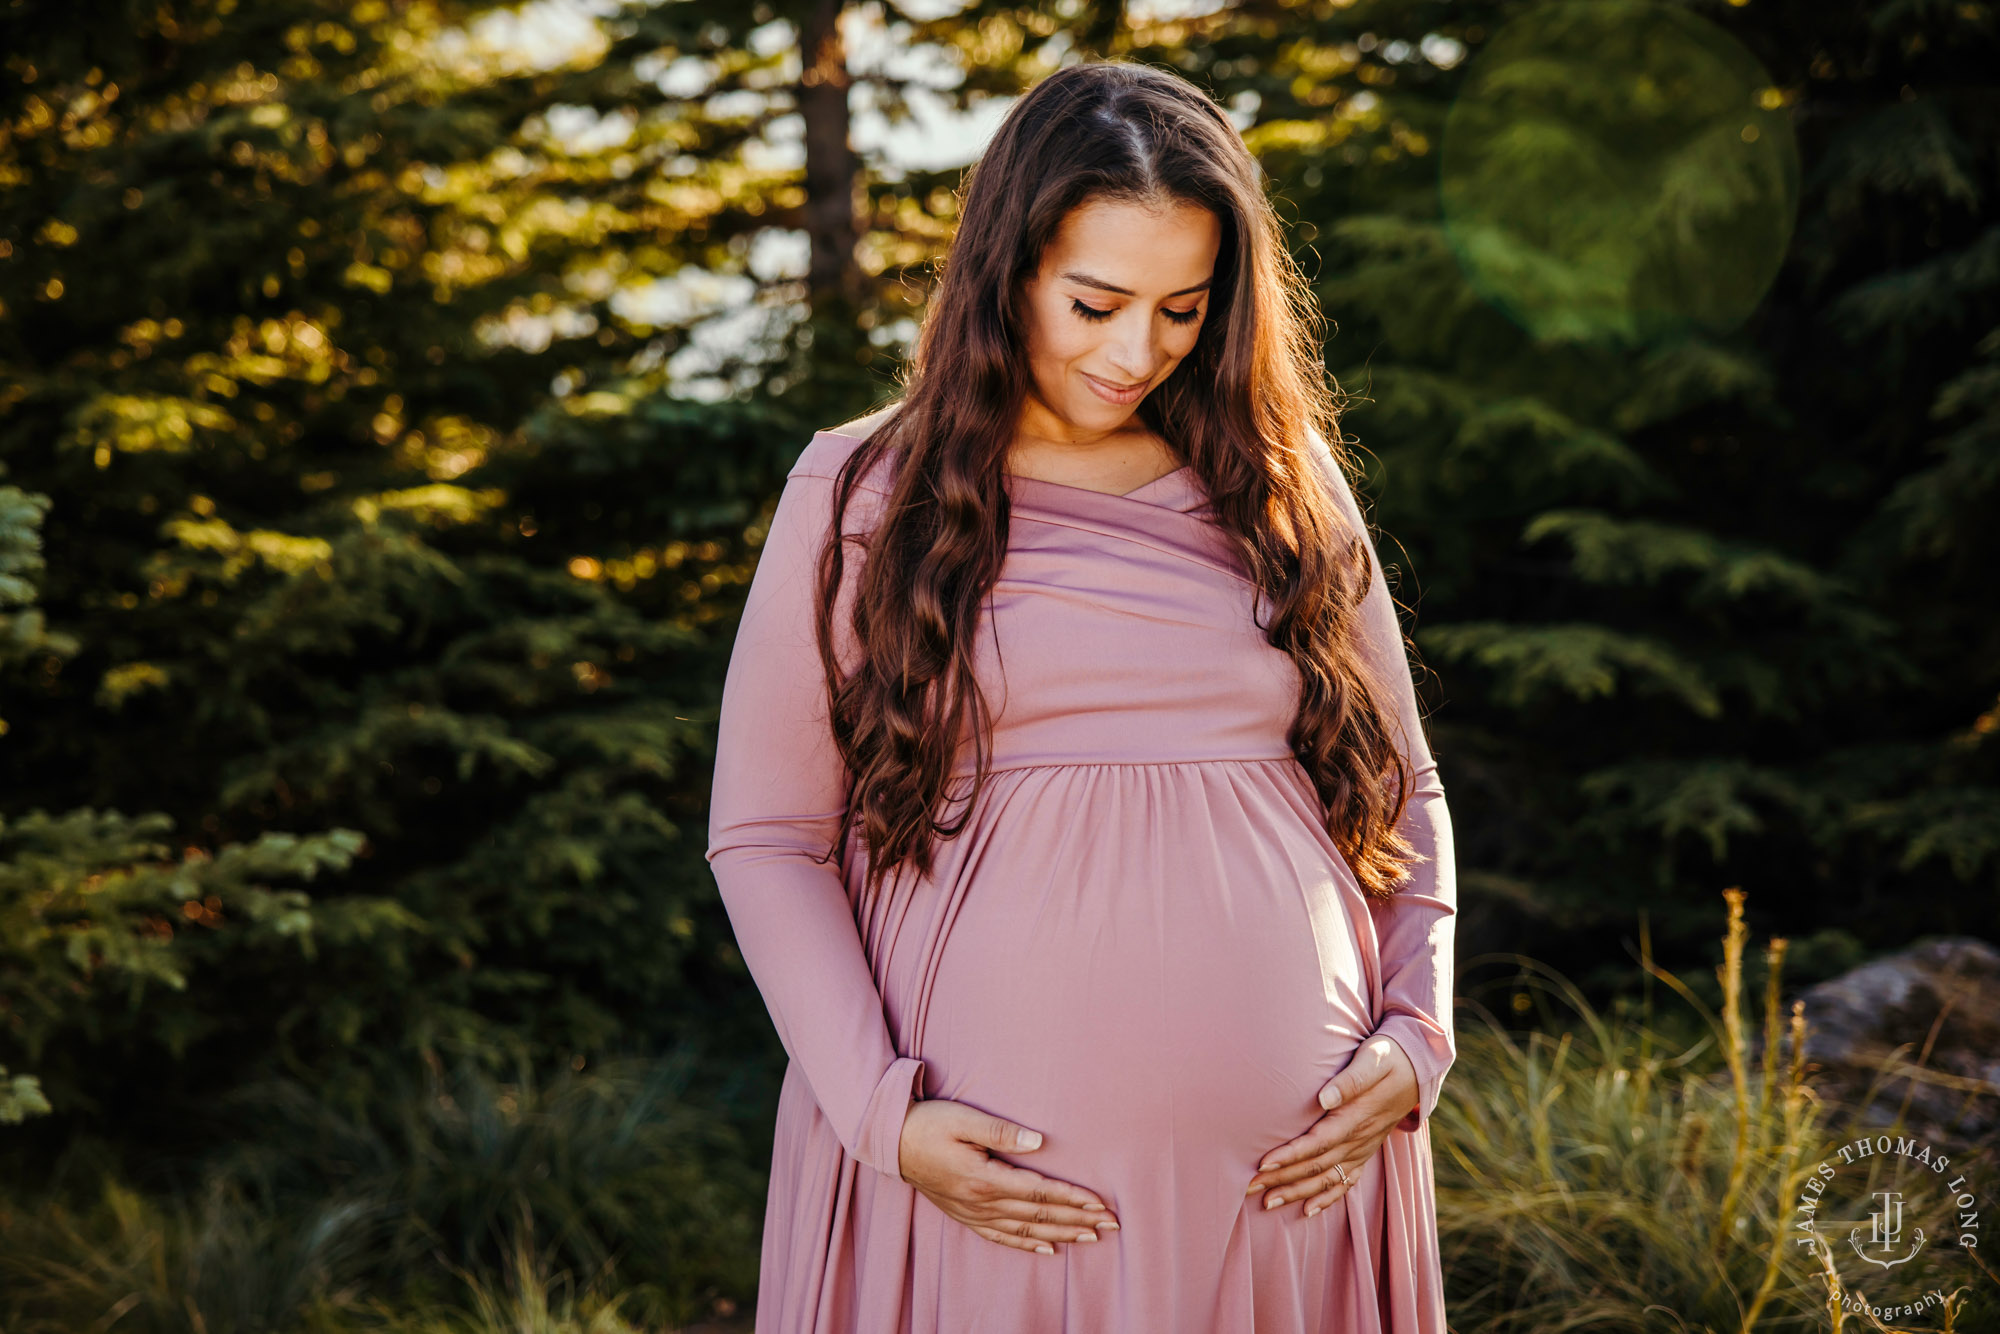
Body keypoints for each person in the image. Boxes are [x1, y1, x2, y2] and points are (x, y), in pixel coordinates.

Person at [707, 58, 1456, 1334]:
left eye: (1182, 308)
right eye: (1094, 301)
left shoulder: (1281, 483)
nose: (1134, 351)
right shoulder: (861, 492)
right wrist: (879, 1113)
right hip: (978, 1184)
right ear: (1005, 271)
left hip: (1295, 1183)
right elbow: (769, 836)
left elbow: (1398, 786)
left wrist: (1413, 1036)